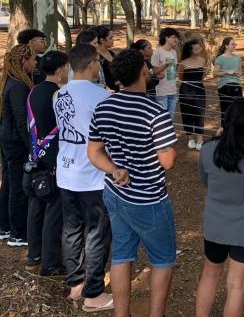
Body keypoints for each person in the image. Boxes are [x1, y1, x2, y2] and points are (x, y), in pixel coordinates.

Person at [87, 49, 178, 317]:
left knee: (122, 254)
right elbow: (168, 161)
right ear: (142, 72)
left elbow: (94, 152)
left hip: (114, 192)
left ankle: (121, 313)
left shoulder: (104, 106)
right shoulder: (155, 112)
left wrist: (115, 169)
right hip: (148, 199)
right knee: (162, 260)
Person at [196, 98, 244, 317]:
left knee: (210, 274)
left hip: (215, 224)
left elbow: (204, 180)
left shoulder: (208, 149)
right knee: (236, 285)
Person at [53, 44, 113, 311]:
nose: (99, 65)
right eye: (98, 61)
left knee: (72, 229)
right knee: (97, 233)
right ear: (91, 63)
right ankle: (93, 293)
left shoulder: (59, 94)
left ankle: (76, 283)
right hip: (92, 174)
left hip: (66, 171)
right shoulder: (101, 96)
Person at [25, 51, 70, 275]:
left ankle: (34, 253)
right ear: (61, 69)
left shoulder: (34, 91)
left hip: (35, 154)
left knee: (36, 206)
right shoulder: (58, 95)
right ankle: (51, 262)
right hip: (53, 158)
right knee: (54, 212)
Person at [0, 45, 37, 246]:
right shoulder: (18, 86)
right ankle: (18, 232)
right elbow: (22, 121)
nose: (35, 62)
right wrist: (31, 147)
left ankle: (5, 226)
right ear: (23, 62)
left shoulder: (13, 82)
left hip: (8, 139)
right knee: (17, 186)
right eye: (32, 59)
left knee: (9, 182)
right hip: (14, 142)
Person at [178, 39, 208, 150]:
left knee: (200, 113)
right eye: (196, 48)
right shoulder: (183, 62)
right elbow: (180, 77)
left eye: (199, 47)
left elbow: (203, 75)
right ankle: (190, 138)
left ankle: (200, 139)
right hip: (186, 90)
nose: (199, 50)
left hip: (199, 90)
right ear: (190, 50)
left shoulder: (203, 60)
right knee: (187, 113)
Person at [152, 27, 181, 120]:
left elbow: (173, 71)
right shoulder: (158, 52)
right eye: (173, 37)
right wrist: (164, 66)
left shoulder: (174, 52)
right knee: (162, 120)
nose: (175, 39)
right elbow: (154, 73)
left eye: (176, 37)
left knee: (170, 120)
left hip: (173, 91)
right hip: (162, 92)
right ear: (166, 38)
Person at [214, 37, 243, 128]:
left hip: (237, 86)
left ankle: (236, 134)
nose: (235, 45)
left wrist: (239, 73)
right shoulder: (220, 59)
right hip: (224, 87)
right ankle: (225, 133)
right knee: (226, 111)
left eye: (235, 44)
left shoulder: (238, 58)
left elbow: (240, 71)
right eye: (232, 44)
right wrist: (227, 72)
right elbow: (215, 74)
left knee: (238, 111)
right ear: (226, 46)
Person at [92, 25, 119, 92]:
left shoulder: (111, 53)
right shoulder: (96, 57)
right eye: (110, 38)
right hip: (105, 91)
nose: (113, 40)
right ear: (102, 40)